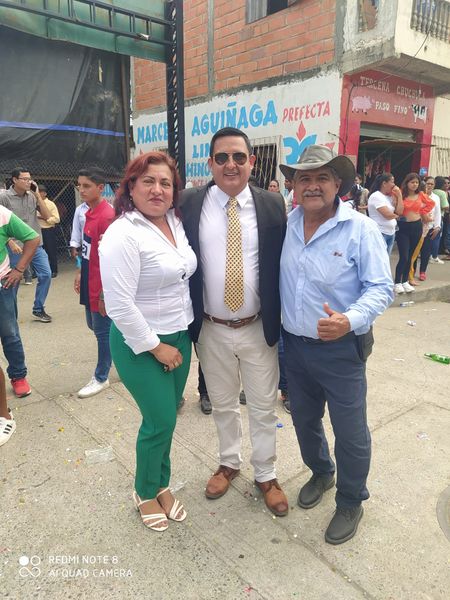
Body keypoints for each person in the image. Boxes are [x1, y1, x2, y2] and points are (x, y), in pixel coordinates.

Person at [279, 144, 393, 545]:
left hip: (342, 350)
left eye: (322, 178)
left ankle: (350, 500)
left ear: (338, 184)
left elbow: (381, 288)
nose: (312, 186)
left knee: (350, 430)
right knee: (304, 419)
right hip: (294, 347)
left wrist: (349, 319)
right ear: (294, 186)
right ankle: (322, 472)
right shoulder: (287, 224)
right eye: (304, 178)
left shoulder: (361, 229)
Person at [180, 127, 288, 517]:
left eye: (239, 157)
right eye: (222, 157)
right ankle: (228, 462)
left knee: (263, 407)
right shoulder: (188, 203)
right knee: (223, 404)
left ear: (251, 162)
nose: (231, 164)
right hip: (210, 328)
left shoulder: (273, 204)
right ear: (210, 163)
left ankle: (266, 474)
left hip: (257, 326)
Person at [99, 151, 196, 532]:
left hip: (179, 335)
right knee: (160, 420)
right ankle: (143, 491)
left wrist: (178, 340)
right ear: (131, 187)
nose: (158, 189)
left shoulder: (175, 221)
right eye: (148, 181)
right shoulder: (122, 233)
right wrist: (157, 347)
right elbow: (119, 305)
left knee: (167, 419)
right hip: (140, 343)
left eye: (165, 183)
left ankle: (161, 484)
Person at [74, 168, 114, 398]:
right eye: (80, 185)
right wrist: (81, 271)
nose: (81, 190)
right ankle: (127, 353)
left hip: (101, 286)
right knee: (96, 326)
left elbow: (112, 260)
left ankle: (101, 377)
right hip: (89, 279)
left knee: (102, 332)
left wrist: (104, 294)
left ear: (100, 188)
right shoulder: (88, 213)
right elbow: (88, 249)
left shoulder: (107, 217)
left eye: (87, 186)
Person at [0, 169, 53, 322]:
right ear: (14, 180)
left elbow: (48, 217)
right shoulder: (4, 197)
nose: (29, 182)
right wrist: (9, 242)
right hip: (15, 247)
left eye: (30, 179)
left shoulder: (32, 196)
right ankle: (10, 314)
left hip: (35, 244)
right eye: (24, 179)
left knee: (46, 274)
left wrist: (37, 196)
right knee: (13, 281)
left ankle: (38, 308)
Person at [0, 204, 40, 401]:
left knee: (9, 333)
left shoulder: (2, 214)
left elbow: (33, 238)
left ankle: (18, 376)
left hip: (2, 286)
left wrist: (19, 269)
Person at [393, 173, 434, 294]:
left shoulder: (421, 194)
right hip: (403, 227)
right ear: (407, 183)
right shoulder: (400, 194)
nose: (415, 185)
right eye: (412, 182)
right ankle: (397, 282)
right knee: (404, 256)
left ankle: (405, 280)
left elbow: (431, 204)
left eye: (417, 182)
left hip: (416, 226)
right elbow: (397, 210)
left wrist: (422, 211)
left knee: (411, 256)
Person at [367, 173, 403, 255]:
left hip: (391, 232)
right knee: (379, 258)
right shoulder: (376, 196)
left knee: (386, 259)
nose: (394, 185)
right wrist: (397, 216)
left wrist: (399, 196)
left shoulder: (389, 196)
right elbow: (388, 215)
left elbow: (400, 211)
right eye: (392, 182)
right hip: (380, 232)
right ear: (384, 183)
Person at [415, 176, 441, 280]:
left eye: (432, 184)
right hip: (417, 226)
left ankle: (422, 272)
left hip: (429, 227)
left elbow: (438, 213)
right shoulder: (418, 195)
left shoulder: (436, 198)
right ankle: (411, 272)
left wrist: (437, 226)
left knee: (426, 251)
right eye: (428, 183)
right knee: (414, 251)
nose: (429, 186)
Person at [37, 185, 60, 277]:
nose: (38, 194)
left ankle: (53, 270)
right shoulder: (33, 203)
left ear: (45, 193)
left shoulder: (50, 204)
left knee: (50, 250)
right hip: (36, 230)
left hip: (47, 230)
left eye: (40, 192)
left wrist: (44, 218)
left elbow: (56, 219)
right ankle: (38, 271)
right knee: (38, 251)